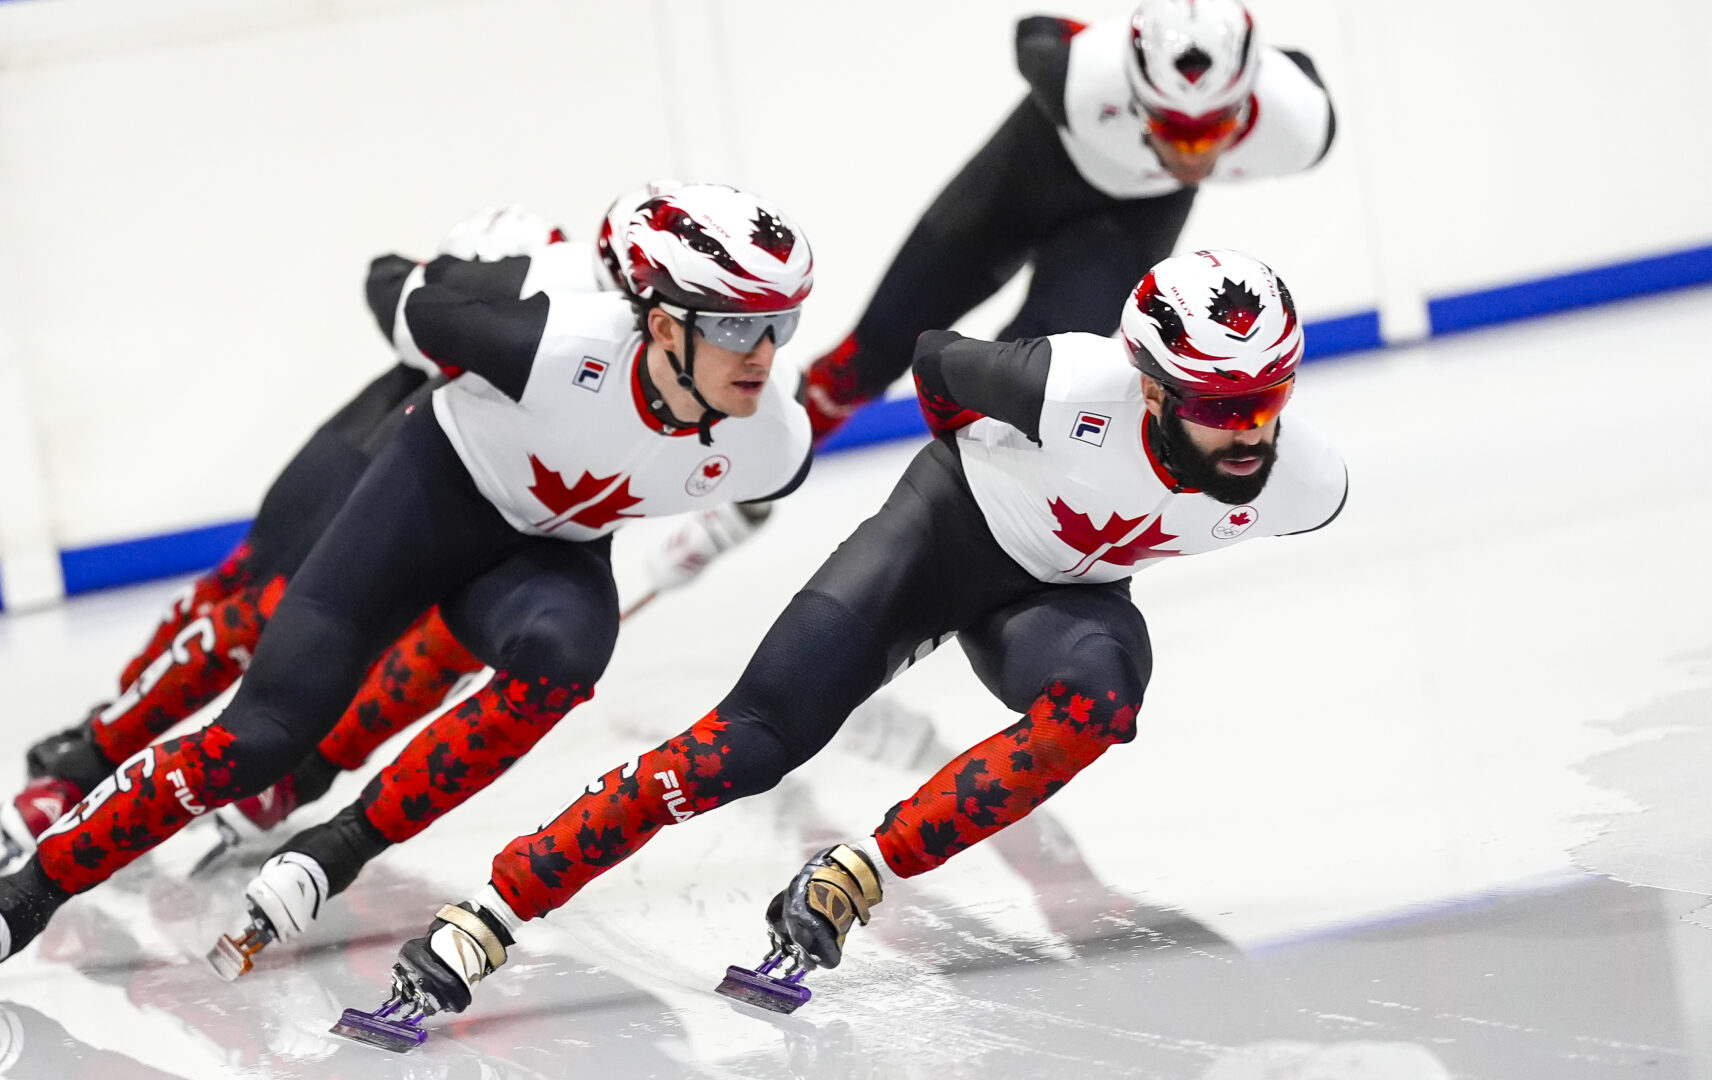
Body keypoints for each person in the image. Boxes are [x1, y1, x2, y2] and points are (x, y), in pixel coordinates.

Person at [346, 249, 1346, 1028]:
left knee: (1101, 705)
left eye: (1271, 398)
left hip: (1059, 601)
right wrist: (976, 478)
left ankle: (857, 872)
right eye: (1223, 407)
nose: (1251, 432)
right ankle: (493, 911)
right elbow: (936, 363)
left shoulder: (1305, 482)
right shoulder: (1071, 386)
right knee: (745, 745)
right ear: (1154, 390)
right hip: (939, 539)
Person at [0, 183, 819, 1005]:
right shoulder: (546, 338)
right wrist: (459, 300)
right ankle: (23, 892)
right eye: (740, 328)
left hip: (543, 559)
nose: (766, 353)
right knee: (258, 734)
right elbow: (394, 285)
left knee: (568, 654)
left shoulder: (774, 443)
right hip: (430, 495)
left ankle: (339, 844)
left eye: (783, 324)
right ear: (662, 325)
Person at [801, 0, 1337, 440]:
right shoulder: (1081, 76)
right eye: (1170, 128)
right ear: (1134, 95)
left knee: (1018, 385)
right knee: (868, 357)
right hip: (1030, 170)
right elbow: (1036, 31)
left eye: (1212, 130)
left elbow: (1297, 65)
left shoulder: (1300, 123)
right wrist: (1101, 40)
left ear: (1248, 99)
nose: (1189, 154)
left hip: (1135, 217)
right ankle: (763, 465)